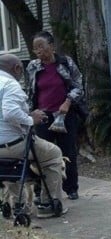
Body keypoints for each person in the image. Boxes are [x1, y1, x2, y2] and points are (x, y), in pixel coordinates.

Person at [0, 53, 66, 218]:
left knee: (9, 165)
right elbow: (9, 113)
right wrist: (31, 119)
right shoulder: (10, 84)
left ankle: (17, 204)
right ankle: (48, 203)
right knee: (53, 154)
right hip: (13, 145)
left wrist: (27, 113)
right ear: (16, 68)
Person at [26, 31, 85, 201]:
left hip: (65, 115)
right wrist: (31, 113)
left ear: (51, 46)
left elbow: (78, 86)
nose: (38, 51)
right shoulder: (33, 66)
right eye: (35, 48)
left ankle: (71, 188)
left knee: (68, 153)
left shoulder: (66, 63)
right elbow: (31, 92)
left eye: (41, 47)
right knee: (40, 154)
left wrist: (67, 103)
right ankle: (41, 190)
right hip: (42, 117)